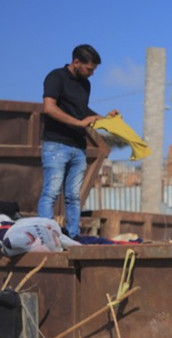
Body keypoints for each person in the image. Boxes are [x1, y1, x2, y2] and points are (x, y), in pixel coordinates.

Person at [39, 44, 118, 239]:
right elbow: (49, 108)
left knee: (74, 196)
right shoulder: (55, 77)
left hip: (78, 148)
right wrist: (79, 123)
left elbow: (83, 112)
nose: (91, 74)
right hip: (56, 145)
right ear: (76, 62)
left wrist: (106, 119)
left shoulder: (85, 84)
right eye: (89, 69)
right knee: (51, 192)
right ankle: (47, 236)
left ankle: (73, 235)